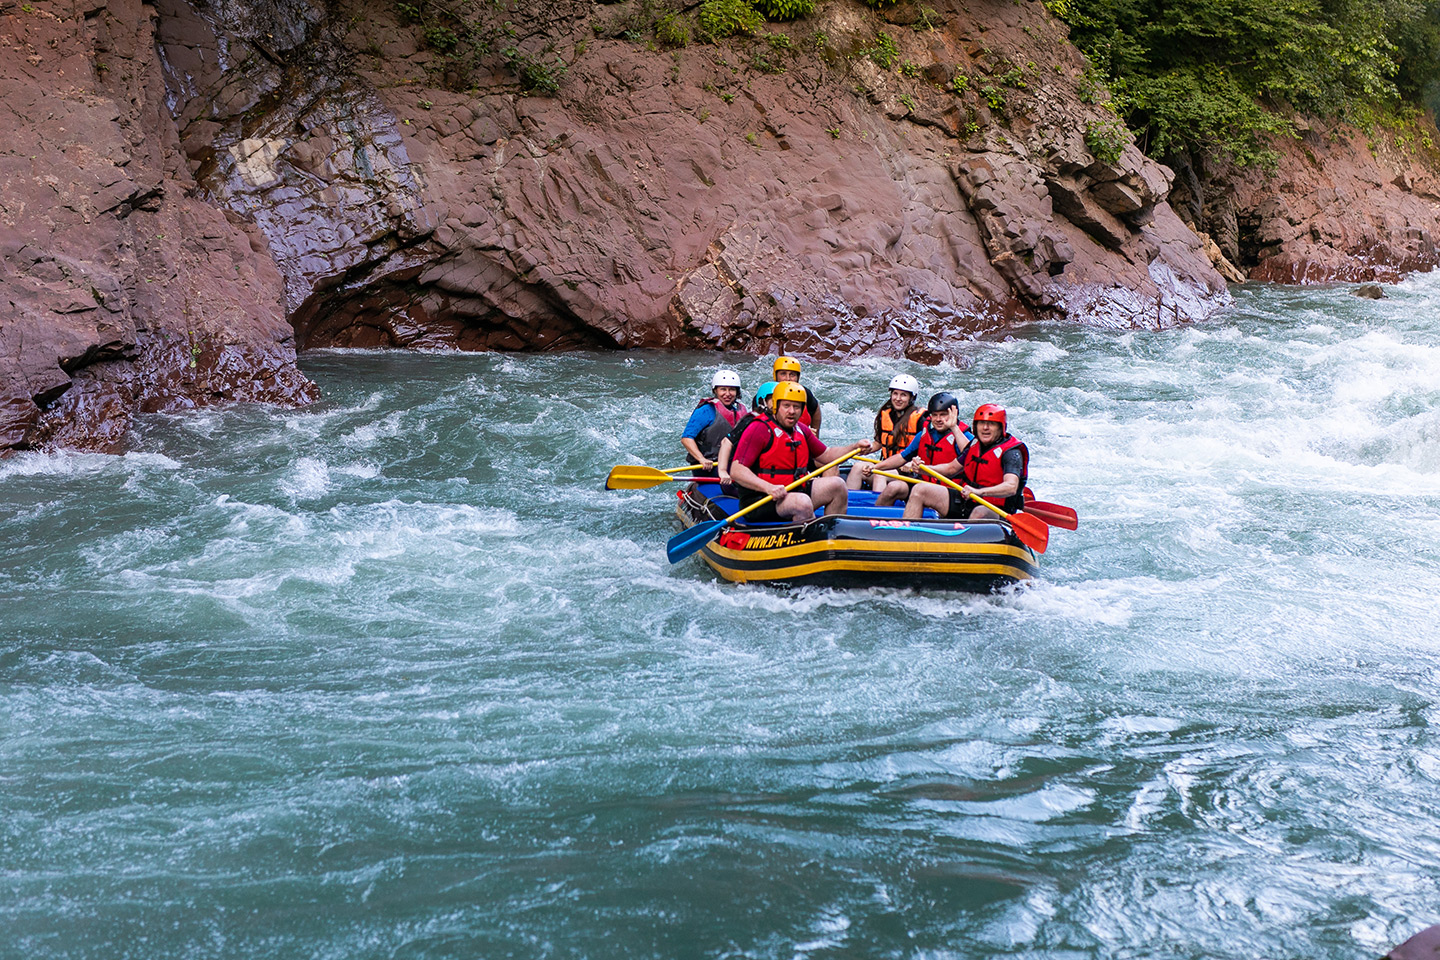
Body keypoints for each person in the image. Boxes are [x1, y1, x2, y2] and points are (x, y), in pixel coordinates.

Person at [728, 382, 875, 523]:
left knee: (837, 485)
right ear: (776, 406)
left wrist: (854, 447)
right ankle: (805, 541)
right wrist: (768, 487)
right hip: (761, 499)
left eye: (796, 407)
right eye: (786, 406)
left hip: (794, 490)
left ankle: (832, 537)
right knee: (802, 502)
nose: (792, 411)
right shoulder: (759, 428)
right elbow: (736, 470)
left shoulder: (801, 430)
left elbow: (827, 455)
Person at [856, 392, 975, 519]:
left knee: (920, 489)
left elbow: (969, 456)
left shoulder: (964, 436)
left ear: (954, 414)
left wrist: (954, 427)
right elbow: (901, 457)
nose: (939, 419)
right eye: (935, 415)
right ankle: (873, 523)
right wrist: (877, 467)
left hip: (953, 493)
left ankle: (908, 530)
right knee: (894, 487)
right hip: (925, 483)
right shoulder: (925, 434)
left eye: (943, 415)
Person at [847, 373, 926, 491]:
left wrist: (912, 463)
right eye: (895, 393)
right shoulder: (886, 414)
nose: (898, 398)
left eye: (903, 395)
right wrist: (866, 448)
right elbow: (879, 443)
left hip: (909, 474)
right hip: (887, 466)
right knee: (858, 467)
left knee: (880, 473)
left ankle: (878, 508)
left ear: (911, 398)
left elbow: (926, 448)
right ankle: (846, 505)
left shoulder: (921, 419)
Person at [955, 403, 1029, 520]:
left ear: (1001, 428)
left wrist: (979, 492)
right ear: (976, 426)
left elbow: (1011, 487)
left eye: (991, 424)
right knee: (921, 490)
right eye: (982, 423)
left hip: (997, 510)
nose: (985, 428)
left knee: (979, 512)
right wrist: (920, 466)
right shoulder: (975, 444)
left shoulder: (1011, 452)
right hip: (967, 502)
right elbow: (950, 468)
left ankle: (963, 537)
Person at [681, 369, 748, 470]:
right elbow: (686, 439)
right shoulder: (706, 410)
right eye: (723, 389)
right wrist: (702, 459)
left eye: (732, 389)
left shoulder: (740, 410)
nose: (728, 394)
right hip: (709, 466)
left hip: (732, 465)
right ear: (715, 391)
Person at [717, 380, 777, 488]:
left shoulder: (785, 424)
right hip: (740, 478)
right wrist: (722, 471)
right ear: (762, 401)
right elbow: (726, 442)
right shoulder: (751, 421)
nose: (778, 404)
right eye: (773, 400)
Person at [771, 356, 821, 433]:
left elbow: (815, 409)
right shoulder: (767, 393)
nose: (787, 379)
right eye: (783, 374)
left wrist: (816, 434)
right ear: (775, 375)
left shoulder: (804, 393)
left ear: (798, 377)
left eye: (792, 375)